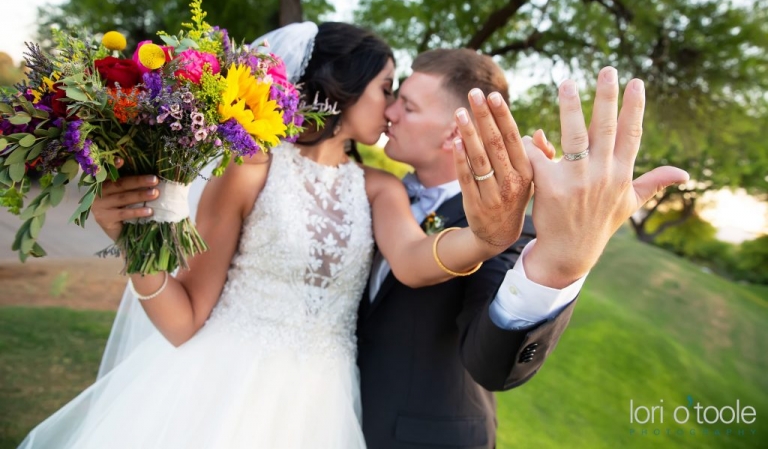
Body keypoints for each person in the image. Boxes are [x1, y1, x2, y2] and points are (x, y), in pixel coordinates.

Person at [18, 23, 535, 448]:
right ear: (342, 87)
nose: (393, 105)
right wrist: (135, 247)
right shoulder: (249, 170)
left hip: (322, 407)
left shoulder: (378, 188)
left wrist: (487, 239)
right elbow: (185, 320)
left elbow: (412, 261)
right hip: (218, 389)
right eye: (386, 88)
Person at [357, 48, 689, 448]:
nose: (390, 111)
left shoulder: (504, 228)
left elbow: (492, 366)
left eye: (407, 107)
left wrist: (557, 266)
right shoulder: (368, 188)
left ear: (453, 133)